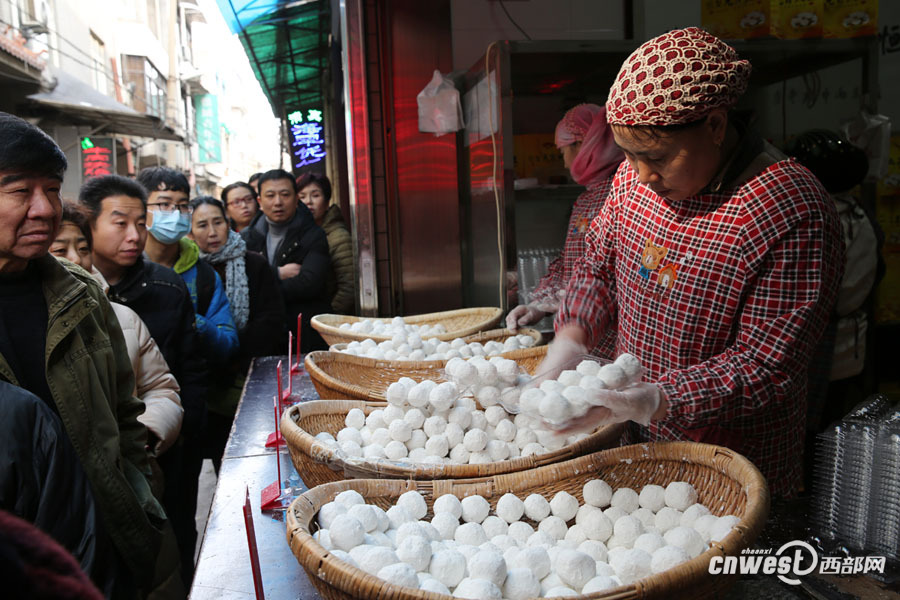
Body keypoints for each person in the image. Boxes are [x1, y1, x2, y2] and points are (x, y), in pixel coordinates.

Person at [543, 28, 843, 498]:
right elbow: (597, 266)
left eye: (657, 156)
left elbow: (767, 365)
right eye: (630, 156)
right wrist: (572, 334)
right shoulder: (632, 182)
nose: (644, 175)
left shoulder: (787, 207)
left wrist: (659, 399)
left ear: (716, 126)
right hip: (636, 442)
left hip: (731, 463)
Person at [0, 112, 173, 596]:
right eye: (19, 192)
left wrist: (140, 501)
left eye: (52, 189)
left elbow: (124, 415)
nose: (44, 208)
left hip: (110, 543)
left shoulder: (79, 293)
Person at [80, 173, 207, 588]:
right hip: (103, 463)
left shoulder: (167, 287)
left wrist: (181, 435)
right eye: (120, 223)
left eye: (140, 222)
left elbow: (187, 370)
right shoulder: (71, 295)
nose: (135, 235)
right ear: (91, 225)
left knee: (175, 537)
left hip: (167, 443)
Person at [50, 203, 183, 459]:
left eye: (83, 249)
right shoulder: (24, 324)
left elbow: (160, 388)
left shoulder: (123, 318)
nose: (76, 259)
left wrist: (145, 433)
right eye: (60, 250)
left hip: (130, 469)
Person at [506, 104, 624, 358]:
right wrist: (539, 305)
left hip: (608, 343)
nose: (563, 160)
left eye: (563, 151)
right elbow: (569, 261)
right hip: (577, 340)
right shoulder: (586, 199)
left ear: (584, 145)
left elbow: (612, 275)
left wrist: (570, 304)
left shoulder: (621, 195)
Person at [189, 195, 285, 470]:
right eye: (202, 225)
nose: (212, 232)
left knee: (255, 460)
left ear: (228, 223)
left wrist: (235, 353)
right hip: (209, 383)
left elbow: (271, 319)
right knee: (222, 461)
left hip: (250, 376)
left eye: (217, 222)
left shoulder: (253, 263)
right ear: (190, 231)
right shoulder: (190, 271)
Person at [136, 167, 239, 365]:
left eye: (182, 205)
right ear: (142, 209)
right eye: (164, 204)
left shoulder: (203, 276)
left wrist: (192, 321)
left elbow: (228, 344)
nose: (175, 213)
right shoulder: (126, 267)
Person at [242, 168, 331, 352]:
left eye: (285, 194)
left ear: (296, 197)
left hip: (303, 334)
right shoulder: (246, 238)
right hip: (263, 336)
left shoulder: (313, 235)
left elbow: (309, 283)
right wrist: (277, 274)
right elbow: (242, 282)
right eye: (270, 195)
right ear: (260, 201)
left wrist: (263, 290)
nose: (278, 202)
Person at [297, 172, 354, 314]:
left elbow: (349, 287)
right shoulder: (299, 233)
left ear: (327, 200)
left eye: (315, 195)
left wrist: (327, 318)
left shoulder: (338, 237)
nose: (308, 201)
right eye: (302, 196)